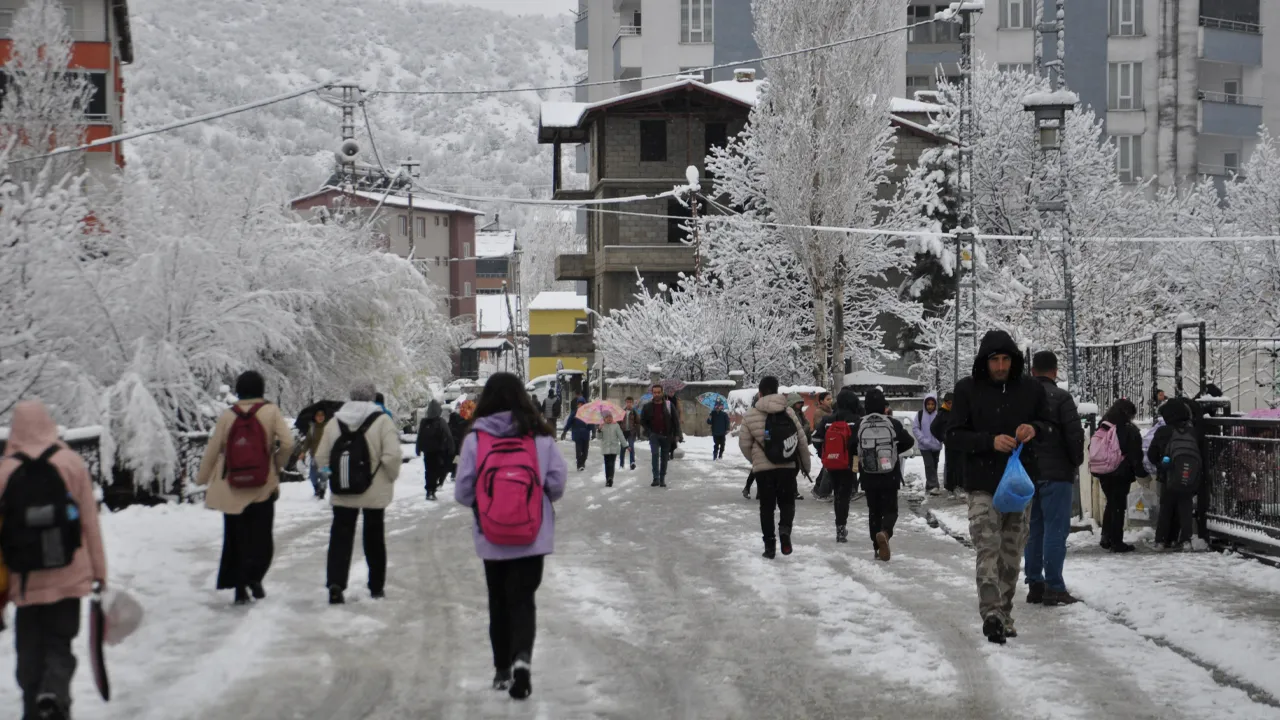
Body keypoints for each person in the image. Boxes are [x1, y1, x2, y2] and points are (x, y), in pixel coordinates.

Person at [455, 372, 567, 700]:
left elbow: (463, 491)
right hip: (532, 535)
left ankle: (502, 669)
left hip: (492, 536)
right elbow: (557, 482)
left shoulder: (476, 438)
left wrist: (487, 503)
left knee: (499, 601)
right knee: (523, 600)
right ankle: (522, 661)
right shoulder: (540, 437)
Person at [1, 401, 107, 720]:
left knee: (30, 654)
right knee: (60, 644)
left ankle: (32, 708)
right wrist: (99, 572)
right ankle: (55, 694)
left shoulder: (5, 470)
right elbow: (89, 522)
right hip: (69, 577)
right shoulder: (70, 462)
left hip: (25, 582)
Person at [946, 331, 1051, 644]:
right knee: (987, 546)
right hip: (982, 484)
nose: (1001, 366)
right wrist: (988, 442)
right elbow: (953, 434)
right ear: (985, 362)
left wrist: (1034, 429)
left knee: (1011, 552)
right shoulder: (967, 390)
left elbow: (1050, 426)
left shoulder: (1031, 390)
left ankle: (1004, 613)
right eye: (995, 360)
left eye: (1006, 360)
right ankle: (991, 613)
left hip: (1018, 484)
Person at [196, 370, 295, 605]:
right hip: (262, 484)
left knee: (236, 537)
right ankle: (255, 576)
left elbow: (213, 449)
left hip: (232, 485)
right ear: (261, 388)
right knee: (261, 536)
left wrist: (202, 478)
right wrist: (276, 465)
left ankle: (240, 588)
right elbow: (288, 443)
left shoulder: (228, 415)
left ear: (239, 390)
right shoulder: (270, 411)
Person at [317, 383, 402, 604]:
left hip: (343, 489)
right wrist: (390, 477)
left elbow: (321, 456)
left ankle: (336, 583)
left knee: (340, 537)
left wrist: (331, 475)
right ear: (372, 397)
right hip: (374, 490)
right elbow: (392, 456)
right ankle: (376, 586)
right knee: (374, 538)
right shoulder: (382, 421)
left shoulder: (335, 421)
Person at [1023, 351, 1085, 607]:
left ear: (1033, 370)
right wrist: (1075, 461)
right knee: (1055, 531)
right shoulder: (1061, 397)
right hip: (1057, 473)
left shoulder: (1022, 398)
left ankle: (1034, 583)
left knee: (1034, 529)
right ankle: (1054, 587)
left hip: (1028, 474)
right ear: (1055, 371)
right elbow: (1074, 435)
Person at [739, 376, 812, 558]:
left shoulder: (750, 415)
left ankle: (769, 546)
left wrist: (755, 460)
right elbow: (801, 440)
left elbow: (744, 444)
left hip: (763, 471)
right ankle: (785, 530)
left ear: (760, 393)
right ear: (777, 390)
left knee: (767, 508)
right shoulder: (788, 412)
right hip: (787, 466)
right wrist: (806, 466)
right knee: (787, 503)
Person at [853, 388, 914, 561]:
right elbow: (909, 441)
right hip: (890, 474)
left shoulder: (859, 424)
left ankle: (876, 547)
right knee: (891, 510)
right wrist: (892, 452)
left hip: (868, 475)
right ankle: (885, 533)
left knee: (874, 511)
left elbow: (851, 447)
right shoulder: (892, 423)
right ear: (883, 406)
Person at [1147, 397, 1206, 550]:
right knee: (1185, 508)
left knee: (1166, 508)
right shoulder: (1193, 432)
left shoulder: (1163, 431)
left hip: (1167, 476)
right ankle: (1185, 540)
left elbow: (1152, 455)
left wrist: (1161, 465)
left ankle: (1161, 541)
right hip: (1188, 475)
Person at [1094, 399, 1145, 554]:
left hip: (1103, 471)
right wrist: (1141, 473)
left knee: (1111, 503)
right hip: (1121, 473)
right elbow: (1136, 454)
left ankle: (1106, 536)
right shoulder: (1129, 429)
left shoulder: (1104, 425)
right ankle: (1117, 542)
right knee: (1118, 507)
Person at [814, 387, 863, 542]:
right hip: (850, 462)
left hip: (832, 462)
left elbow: (816, 439)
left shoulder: (828, 420)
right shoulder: (857, 420)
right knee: (845, 494)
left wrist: (824, 453)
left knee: (837, 493)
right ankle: (841, 526)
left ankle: (839, 525)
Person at [640, 384, 682, 487]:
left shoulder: (669, 405)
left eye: (659, 392)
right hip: (654, 435)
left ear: (662, 393)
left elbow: (675, 421)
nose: (657, 394)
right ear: (652, 393)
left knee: (664, 457)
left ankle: (662, 478)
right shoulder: (647, 406)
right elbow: (642, 420)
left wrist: (678, 434)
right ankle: (656, 478)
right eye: (655, 392)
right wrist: (649, 432)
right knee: (655, 455)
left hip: (666, 435)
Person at [416, 400, 456, 501]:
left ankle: (429, 491)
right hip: (439, 451)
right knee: (438, 470)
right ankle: (433, 489)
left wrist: (418, 448)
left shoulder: (423, 422)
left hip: (427, 451)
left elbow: (419, 436)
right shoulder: (441, 421)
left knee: (429, 471)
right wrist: (451, 448)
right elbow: (448, 435)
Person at [931, 392, 962, 498]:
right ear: (945, 403)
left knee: (960, 464)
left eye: (952, 403)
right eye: (949, 403)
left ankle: (959, 486)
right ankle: (950, 487)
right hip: (950, 443)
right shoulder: (942, 413)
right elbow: (933, 427)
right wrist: (942, 438)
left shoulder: (958, 412)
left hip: (960, 442)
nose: (950, 405)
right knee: (950, 465)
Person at [912, 393, 944, 496]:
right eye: (928, 404)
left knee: (934, 465)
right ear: (925, 404)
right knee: (929, 464)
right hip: (924, 446)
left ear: (935, 405)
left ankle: (929, 484)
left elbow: (943, 428)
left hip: (936, 445)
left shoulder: (938, 415)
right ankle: (934, 486)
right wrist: (922, 439)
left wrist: (940, 439)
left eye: (932, 404)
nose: (930, 406)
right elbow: (915, 428)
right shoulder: (920, 414)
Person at [561, 393, 592, 472]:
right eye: (579, 404)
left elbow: (591, 423)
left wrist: (592, 430)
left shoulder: (588, 414)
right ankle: (579, 465)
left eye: (582, 404)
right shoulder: (574, 413)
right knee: (578, 451)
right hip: (577, 435)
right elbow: (569, 423)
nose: (580, 405)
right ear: (577, 405)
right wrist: (565, 431)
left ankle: (582, 462)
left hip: (585, 435)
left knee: (585, 452)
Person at [305, 408, 330, 500]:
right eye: (318, 415)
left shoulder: (328, 427)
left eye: (322, 415)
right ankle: (316, 488)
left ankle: (322, 492)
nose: (320, 417)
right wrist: (303, 452)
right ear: (315, 417)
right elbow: (307, 442)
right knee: (312, 476)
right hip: (314, 457)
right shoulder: (312, 428)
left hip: (325, 457)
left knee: (324, 476)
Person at [598, 411, 626, 487]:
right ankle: (608, 479)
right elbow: (599, 437)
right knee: (607, 464)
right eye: (607, 417)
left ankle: (610, 478)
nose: (609, 418)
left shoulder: (616, 425)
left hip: (614, 448)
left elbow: (621, 436)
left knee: (611, 463)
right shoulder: (602, 426)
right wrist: (599, 430)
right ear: (604, 419)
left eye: (610, 417)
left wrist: (625, 445)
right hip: (605, 448)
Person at [448, 404, 471, 481]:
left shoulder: (454, 419)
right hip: (461, 442)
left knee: (457, 457)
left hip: (456, 442)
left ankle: (455, 473)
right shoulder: (465, 421)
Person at [619, 397, 640, 470]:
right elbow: (619, 422)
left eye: (630, 402)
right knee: (622, 448)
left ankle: (632, 462)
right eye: (627, 402)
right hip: (623, 432)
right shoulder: (622, 411)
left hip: (631, 432)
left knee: (631, 447)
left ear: (632, 403)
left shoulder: (634, 412)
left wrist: (637, 433)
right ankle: (621, 464)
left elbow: (638, 422)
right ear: (625, 402)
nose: (629, 404)